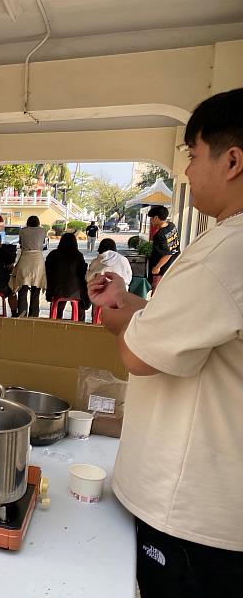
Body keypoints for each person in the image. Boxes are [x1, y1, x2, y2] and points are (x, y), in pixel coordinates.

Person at [87, 88, 243, 597]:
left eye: (194, 156)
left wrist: (118, 322)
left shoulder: (225, 252)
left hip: (195, 516)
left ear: (232, 161)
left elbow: (139, 354)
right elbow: (195, 333)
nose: (189, 172)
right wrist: (130, 303)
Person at [44, 232, 88, 320]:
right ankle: (80, 321)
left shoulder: (53, 254)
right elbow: (83, 273)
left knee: (59, 302)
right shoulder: (78, 255)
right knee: (81, 297)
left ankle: (56, 319)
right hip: (75, 292)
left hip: (56, 290)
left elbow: (47, 270)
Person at [10, 216, 47, 317]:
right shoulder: (43, 230)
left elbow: (21, 244)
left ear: (28, 222)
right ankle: (34, 315)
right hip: (38, 261)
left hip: (25, 259)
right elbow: (42, 244)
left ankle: (22, 314)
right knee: (36, 290)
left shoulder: (23, 231)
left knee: (22, 288)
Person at [146, 205, 180, 292]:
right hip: (172, 266)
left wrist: (157, 267)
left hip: (161, 271)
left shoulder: (160, 235)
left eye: (151, 218)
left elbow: (168, 254)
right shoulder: (172, 226)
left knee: (156, 293)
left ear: (156, 217)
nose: (151, 221)